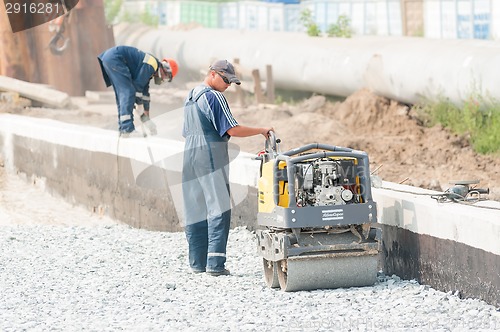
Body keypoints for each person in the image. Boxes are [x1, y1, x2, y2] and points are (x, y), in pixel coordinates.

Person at [182, 59, 274, 276]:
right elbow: (232, 129)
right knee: (219, 207)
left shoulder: (191, 95)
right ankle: (215, 265)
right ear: (213, 74)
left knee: (195, 208)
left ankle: (197, 263)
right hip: (209, 153)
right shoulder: (214, 96)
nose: (228, 86)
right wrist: (261, 129)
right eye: (225, 80)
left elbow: (186, 132)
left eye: (230, 82)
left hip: (189, 154)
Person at [97, 45, 179, 137]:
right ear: (165, 69)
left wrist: (146, 117)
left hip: (110, 58)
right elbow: (138, 87)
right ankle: (127, 129)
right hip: (115, 58)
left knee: (123, 94)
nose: (163, 79)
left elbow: (145, 92)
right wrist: (139, 106)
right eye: (167, 77)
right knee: (128, 91)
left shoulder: (151, 68)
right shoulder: (152, 64)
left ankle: (123, 128)